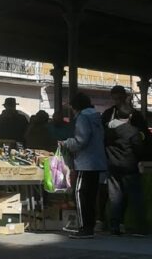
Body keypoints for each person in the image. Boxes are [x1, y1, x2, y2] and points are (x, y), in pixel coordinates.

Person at [60, 92, 107, 239]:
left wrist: (66, 143)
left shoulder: (83, 118)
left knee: (80, 194)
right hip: (97, 161)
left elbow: (81, 140)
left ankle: (84, 228)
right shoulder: (96, 117)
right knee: (91, 196)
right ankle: (90, 227)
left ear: (76, 107)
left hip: (85, 162)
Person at [102, 87, 147, 235]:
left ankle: (114, 226)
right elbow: (140, 147)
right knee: (135, 197)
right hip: (130, 166)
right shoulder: (132, 131)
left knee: (114, 198)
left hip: (113, 165)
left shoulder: (107, 129)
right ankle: (139, 227)